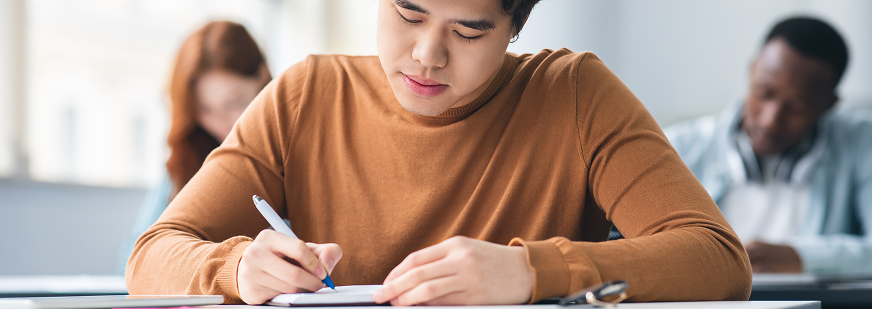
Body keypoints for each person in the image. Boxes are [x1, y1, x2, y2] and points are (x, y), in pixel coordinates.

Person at [126, 0, 751, 305]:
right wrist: (236, 270)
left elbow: (718, 260)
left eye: (469, 29)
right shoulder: (304, 95)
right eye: (408, 11)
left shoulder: (574, 94)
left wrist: (533, 272)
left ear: (514, 28)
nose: (427, 53)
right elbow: (151, 257)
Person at [666, 16, 872, 274]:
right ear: (752, 71)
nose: (770, 120)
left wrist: (802, 257)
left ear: (828, 104)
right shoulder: (675, 147)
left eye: (797, 107)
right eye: (764, 93)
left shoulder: (862, 142)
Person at [119, 21, 272, 272]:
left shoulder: (294, 150)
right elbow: (132, 260)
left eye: (233, 102)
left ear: (263, 76)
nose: (221, 121)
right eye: (204, 108)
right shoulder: (187, 156)